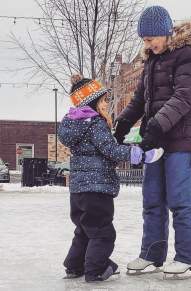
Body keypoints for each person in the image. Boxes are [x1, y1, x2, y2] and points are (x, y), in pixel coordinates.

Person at [114, 5, 191, 275]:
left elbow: (184, 97)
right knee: (152, 200)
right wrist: (122, 123)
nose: (147, 43)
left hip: (183, 140)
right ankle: (152, 255)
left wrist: (154, 127)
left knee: (180, 200)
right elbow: (140, 100)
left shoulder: (188, 55)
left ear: (166, 32)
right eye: (144, 39)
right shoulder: (152, 62)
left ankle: (189, 258)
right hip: (157, 142)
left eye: (151, 38)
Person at [58, 74, 163, 282]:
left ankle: (74, 266)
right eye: (104, 99)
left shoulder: (73, 125)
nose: (106, 103)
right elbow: (111, 150)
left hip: (78, 190)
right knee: (103, 233)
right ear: (93, 101)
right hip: (97, 189)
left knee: (84, 230)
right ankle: (96, 269)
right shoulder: (95, 123)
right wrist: (141, 155)